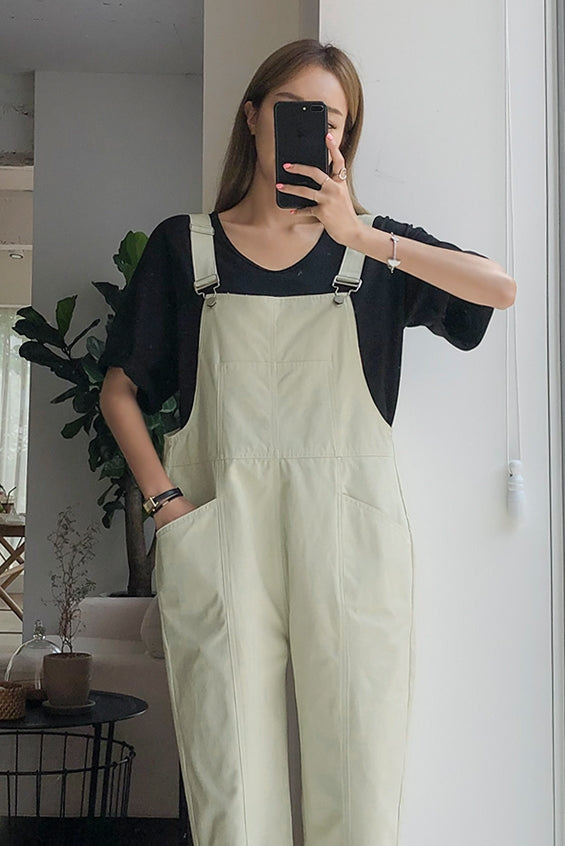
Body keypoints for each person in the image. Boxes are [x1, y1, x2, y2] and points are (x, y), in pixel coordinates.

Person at [99, 38, 516, 846]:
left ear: (343, 138)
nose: (312, 130)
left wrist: (360, 234)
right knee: (229, 780)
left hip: (350, 535)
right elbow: (120, 389)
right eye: (293, 110)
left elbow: (498, 289)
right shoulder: (186, 248)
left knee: (360, 775)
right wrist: (165, 503)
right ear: (253, 116)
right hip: (219, 529)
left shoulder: (372, 251)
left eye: (330, 119)